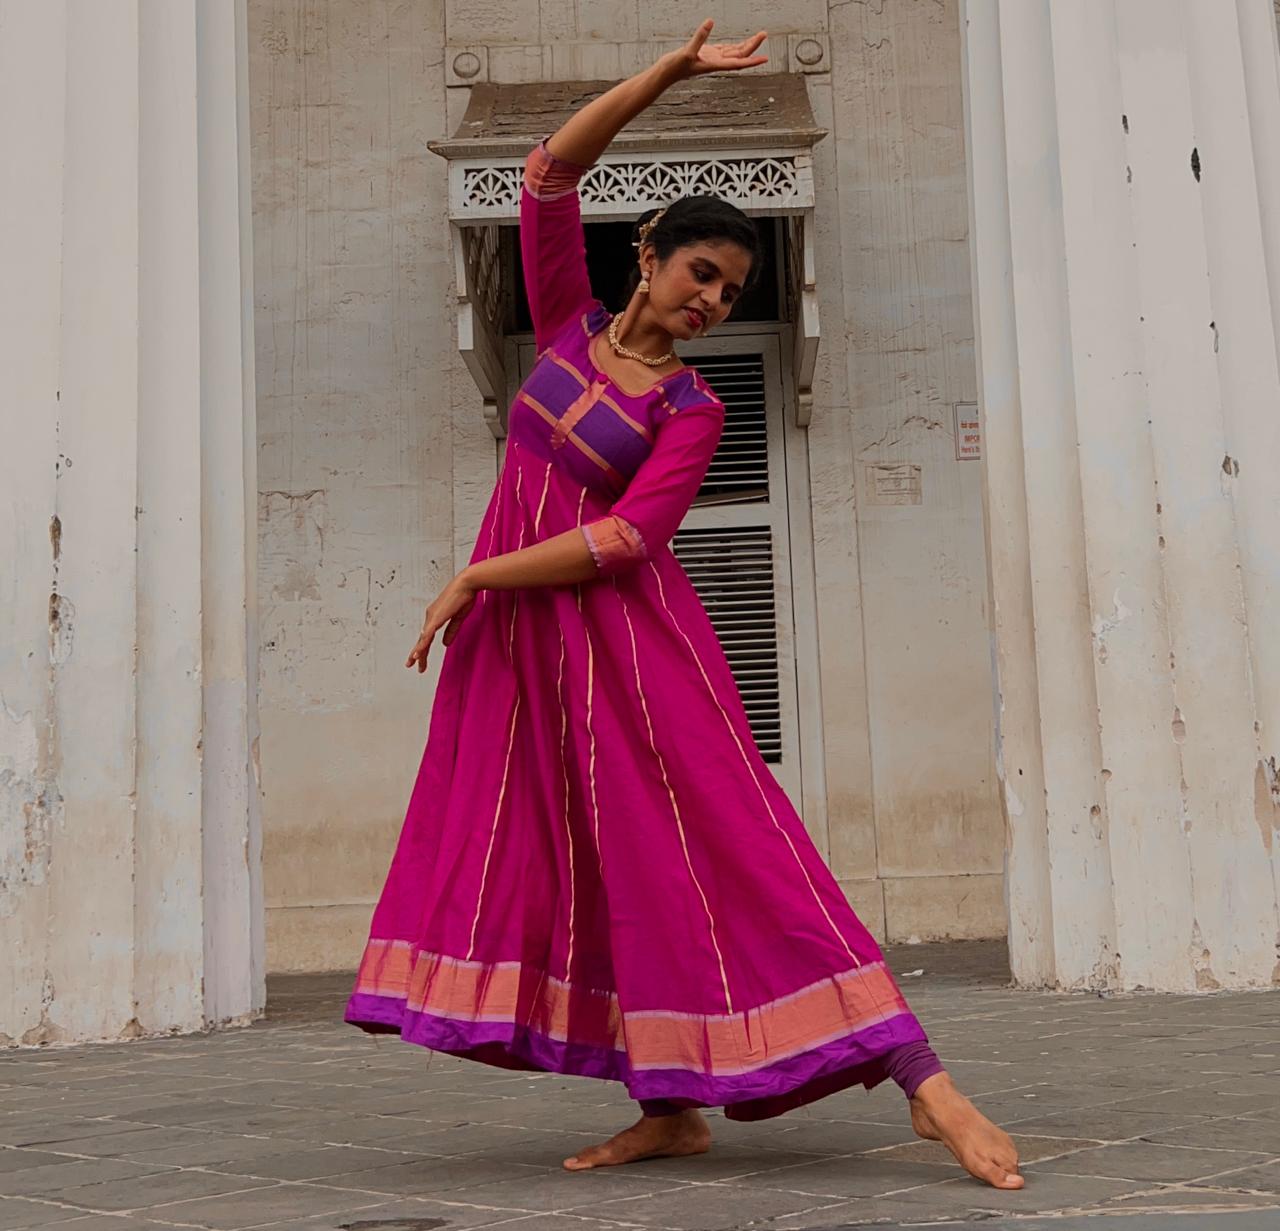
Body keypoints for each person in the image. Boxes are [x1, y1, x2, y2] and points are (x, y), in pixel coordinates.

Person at [345, 20, 1023, 1191]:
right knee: (600, 867)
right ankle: (668, 1103)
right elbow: (549, 172)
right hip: (529, 658)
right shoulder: (561, 323)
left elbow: (623, 540)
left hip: (632, 651)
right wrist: (666, 74)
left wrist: (473, 574)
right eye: (700, 273)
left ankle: (925, 1083)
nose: (711, 299)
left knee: (734, 846)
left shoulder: (691, 409)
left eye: (731, 290)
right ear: (650, 255)